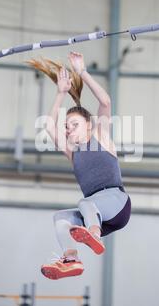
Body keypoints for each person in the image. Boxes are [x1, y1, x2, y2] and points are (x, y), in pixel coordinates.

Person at [27, 51, 131, 279]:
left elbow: (105, 101)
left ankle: (93, 233)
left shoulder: (101, 136)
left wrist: (82, 71)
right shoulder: (73, 152)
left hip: (116, 204)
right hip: (98, 214)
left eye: (73, 124)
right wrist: (60, 93)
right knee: (60, 219)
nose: (68, 129)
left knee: (86, 203)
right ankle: (71, 259)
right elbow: (50, 127)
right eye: (67, 126)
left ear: (89, 125)